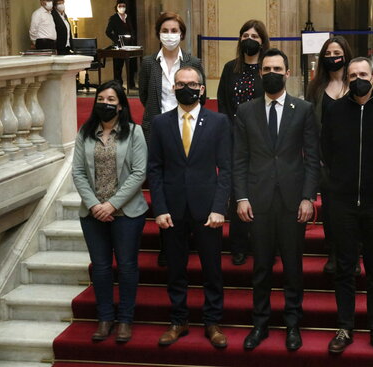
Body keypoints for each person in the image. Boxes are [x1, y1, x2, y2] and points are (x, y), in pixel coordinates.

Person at [233, 48, 320, 351]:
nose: (271, 73)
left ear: (287, 72)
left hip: (292, 203)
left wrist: (309, 197)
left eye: (277, 68)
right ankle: (260, 323)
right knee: (261, 269)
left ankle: (293, 323)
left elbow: (312, 159)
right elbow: (239, 159)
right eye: (266, 68)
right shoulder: (245, 111)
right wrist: (241, 197)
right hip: (257, 202)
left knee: (293, 268)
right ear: (260, 73)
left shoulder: (304, 109)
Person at [321, 57, 373, 357]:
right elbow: (326, 151)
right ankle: (344, 327)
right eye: (353, 74)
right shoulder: (334, 112)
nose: (358, 78)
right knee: (344, 268)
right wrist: (343, 181)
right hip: (343, 204)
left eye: (363, 74)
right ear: (347, 78)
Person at [147, 66, 231, 349]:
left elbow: (227, 169)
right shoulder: (160, 124)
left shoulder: (218, 122)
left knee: (212, 269)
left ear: (202, 89)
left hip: (208, 211)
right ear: (173, 88)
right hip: (172, 210)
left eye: (192, 84)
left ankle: (212, 322)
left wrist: (220, 207)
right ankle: (178, 320)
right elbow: (154, 170)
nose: (186, 88)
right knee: (175, 270)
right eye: (181, 83)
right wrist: (158, 208)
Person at [72, 80, 148, 344]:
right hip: (93, 214)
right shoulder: (85, 132)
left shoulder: (134, 132)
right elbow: (78, 172)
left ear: (121, 105)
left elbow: (139, 172)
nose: (105, 103)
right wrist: (94, 204)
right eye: (101, 99)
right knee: (102, 268)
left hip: (126, 213)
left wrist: (112, 204)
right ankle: (105, 318)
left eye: (111, 100)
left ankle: (125, 319)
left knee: (127, 267)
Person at [217, 19, 270, 266]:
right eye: (245, 34)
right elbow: (222, 104)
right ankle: (238, 245)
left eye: (255, 36)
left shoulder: (267, 69)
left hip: (262, 140)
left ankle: (262, 243)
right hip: (233, 139)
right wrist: (232, 131)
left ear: (262, 41)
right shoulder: (230, 68)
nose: (250, 39)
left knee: (262, 192)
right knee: (238, 191)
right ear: (240, 39)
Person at [305, 36, 352, 275]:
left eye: (337, 52)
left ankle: (352, 254)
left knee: (352, 209)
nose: (333, 57)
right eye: (329, 53)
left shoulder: (356, 84)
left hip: (353, 160)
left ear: (345, 55)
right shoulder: (316, 88)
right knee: (332, 210)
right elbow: (310, 126)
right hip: (326, 160)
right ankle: (333, 252)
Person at [139, 11, 205, 146]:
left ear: (181, 34)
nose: (169, 35)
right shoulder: (148, 63)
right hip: (155, 126)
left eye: (174, 30)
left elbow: (201, 97)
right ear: (159, 34)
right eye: (165, 30)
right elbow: (144, 96)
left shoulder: (193, 62)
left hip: (186, 125)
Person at [105, 0, 137, 89]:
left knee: (131, 65)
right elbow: (108, 32)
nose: (122, 7)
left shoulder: (128, 17)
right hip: (119, 45)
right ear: (117, 7)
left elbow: (131, 29)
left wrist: (133, 38)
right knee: (118, 66)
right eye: (120, 6)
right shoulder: (114, 18)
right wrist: (117, 39)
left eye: (123, 6)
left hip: (130, 44)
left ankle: (131, 84)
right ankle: (118, 84)